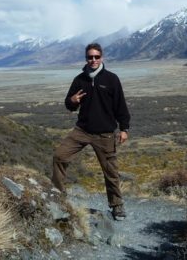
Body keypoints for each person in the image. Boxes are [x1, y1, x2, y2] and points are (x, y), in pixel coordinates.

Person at [52, 42, 130, 220]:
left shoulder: (112, 79)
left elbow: (121, 106)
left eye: (96, 56)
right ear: (86, 58)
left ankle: (117, 205)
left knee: (110, 171)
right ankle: (57, 195)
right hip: (82, 130)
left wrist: (124, 128)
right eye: (90, 57)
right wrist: (72, 100)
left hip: (105, 133)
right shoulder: (79, 79)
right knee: (59, 156)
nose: (93, 60)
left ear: (102, 57)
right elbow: (68, 104)